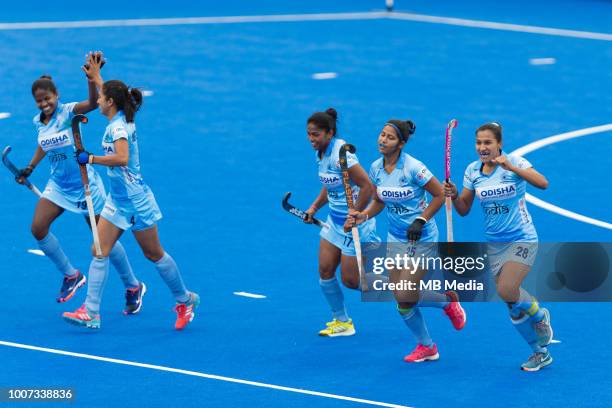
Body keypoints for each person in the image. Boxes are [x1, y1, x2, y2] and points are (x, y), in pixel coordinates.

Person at [62, 53, 199, 330]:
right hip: (118, 200)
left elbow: (122, 158)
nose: (97, 101)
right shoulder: (120, 112)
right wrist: (96, 77)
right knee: (98, 250)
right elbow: (110, 93)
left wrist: (91, 159)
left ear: (110, 103)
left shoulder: (118, 127)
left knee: (154, 254)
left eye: (101, 99)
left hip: (136, 202)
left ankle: (185, 299)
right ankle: (91, 312)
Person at [16, 54, 144, 314]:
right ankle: (71, 275)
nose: (44, 104)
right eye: (39, 101)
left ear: (56, 95)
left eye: (47, 99)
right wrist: (30, 167)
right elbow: (44, 143)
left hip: (86, 186)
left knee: (102, 240)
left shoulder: (67, 111)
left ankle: (132, 285)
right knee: (38, 228)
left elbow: (92, 105)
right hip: (59, 185)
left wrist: (90, 79)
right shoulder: (38, 122)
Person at [347, 119, 466, 362]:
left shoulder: (413, 167)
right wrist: (364, 215)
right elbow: (380, 199)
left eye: (389, 137)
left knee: (404, 295)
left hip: (422, 238)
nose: (382, 140)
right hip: (396, 237)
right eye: (381, 135)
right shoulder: (375, 168)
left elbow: (438, 193)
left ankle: (446, 304)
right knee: (403, 298)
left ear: (401, 143)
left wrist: (421, 220)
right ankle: (429, 343)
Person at [443, 122, 553, 371]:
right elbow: (463, 210)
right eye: (479, 143)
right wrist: (453, 194)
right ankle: (540, 352)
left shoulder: (515, 162)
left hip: (522, 237)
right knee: (512, 305)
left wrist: (511, 166)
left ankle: (539, 315)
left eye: (487, 143)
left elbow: (543, 183)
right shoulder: (473, 171)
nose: (482, 147)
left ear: (499, 144)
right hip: (495, 244)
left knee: (506, 289)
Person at [304, 108, 380, 337]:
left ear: (330, 133)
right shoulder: (322, 153)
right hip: (334, 224)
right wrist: (315, 207)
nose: (311, 139)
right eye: (308, 134)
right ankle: (342, 321)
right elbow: (331, 184)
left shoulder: (342, 156)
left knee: (351, 281)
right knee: (325, 270)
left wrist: (355, 213)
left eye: (315, 134)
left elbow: (368, 186)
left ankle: (399, 284)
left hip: (354, 225)